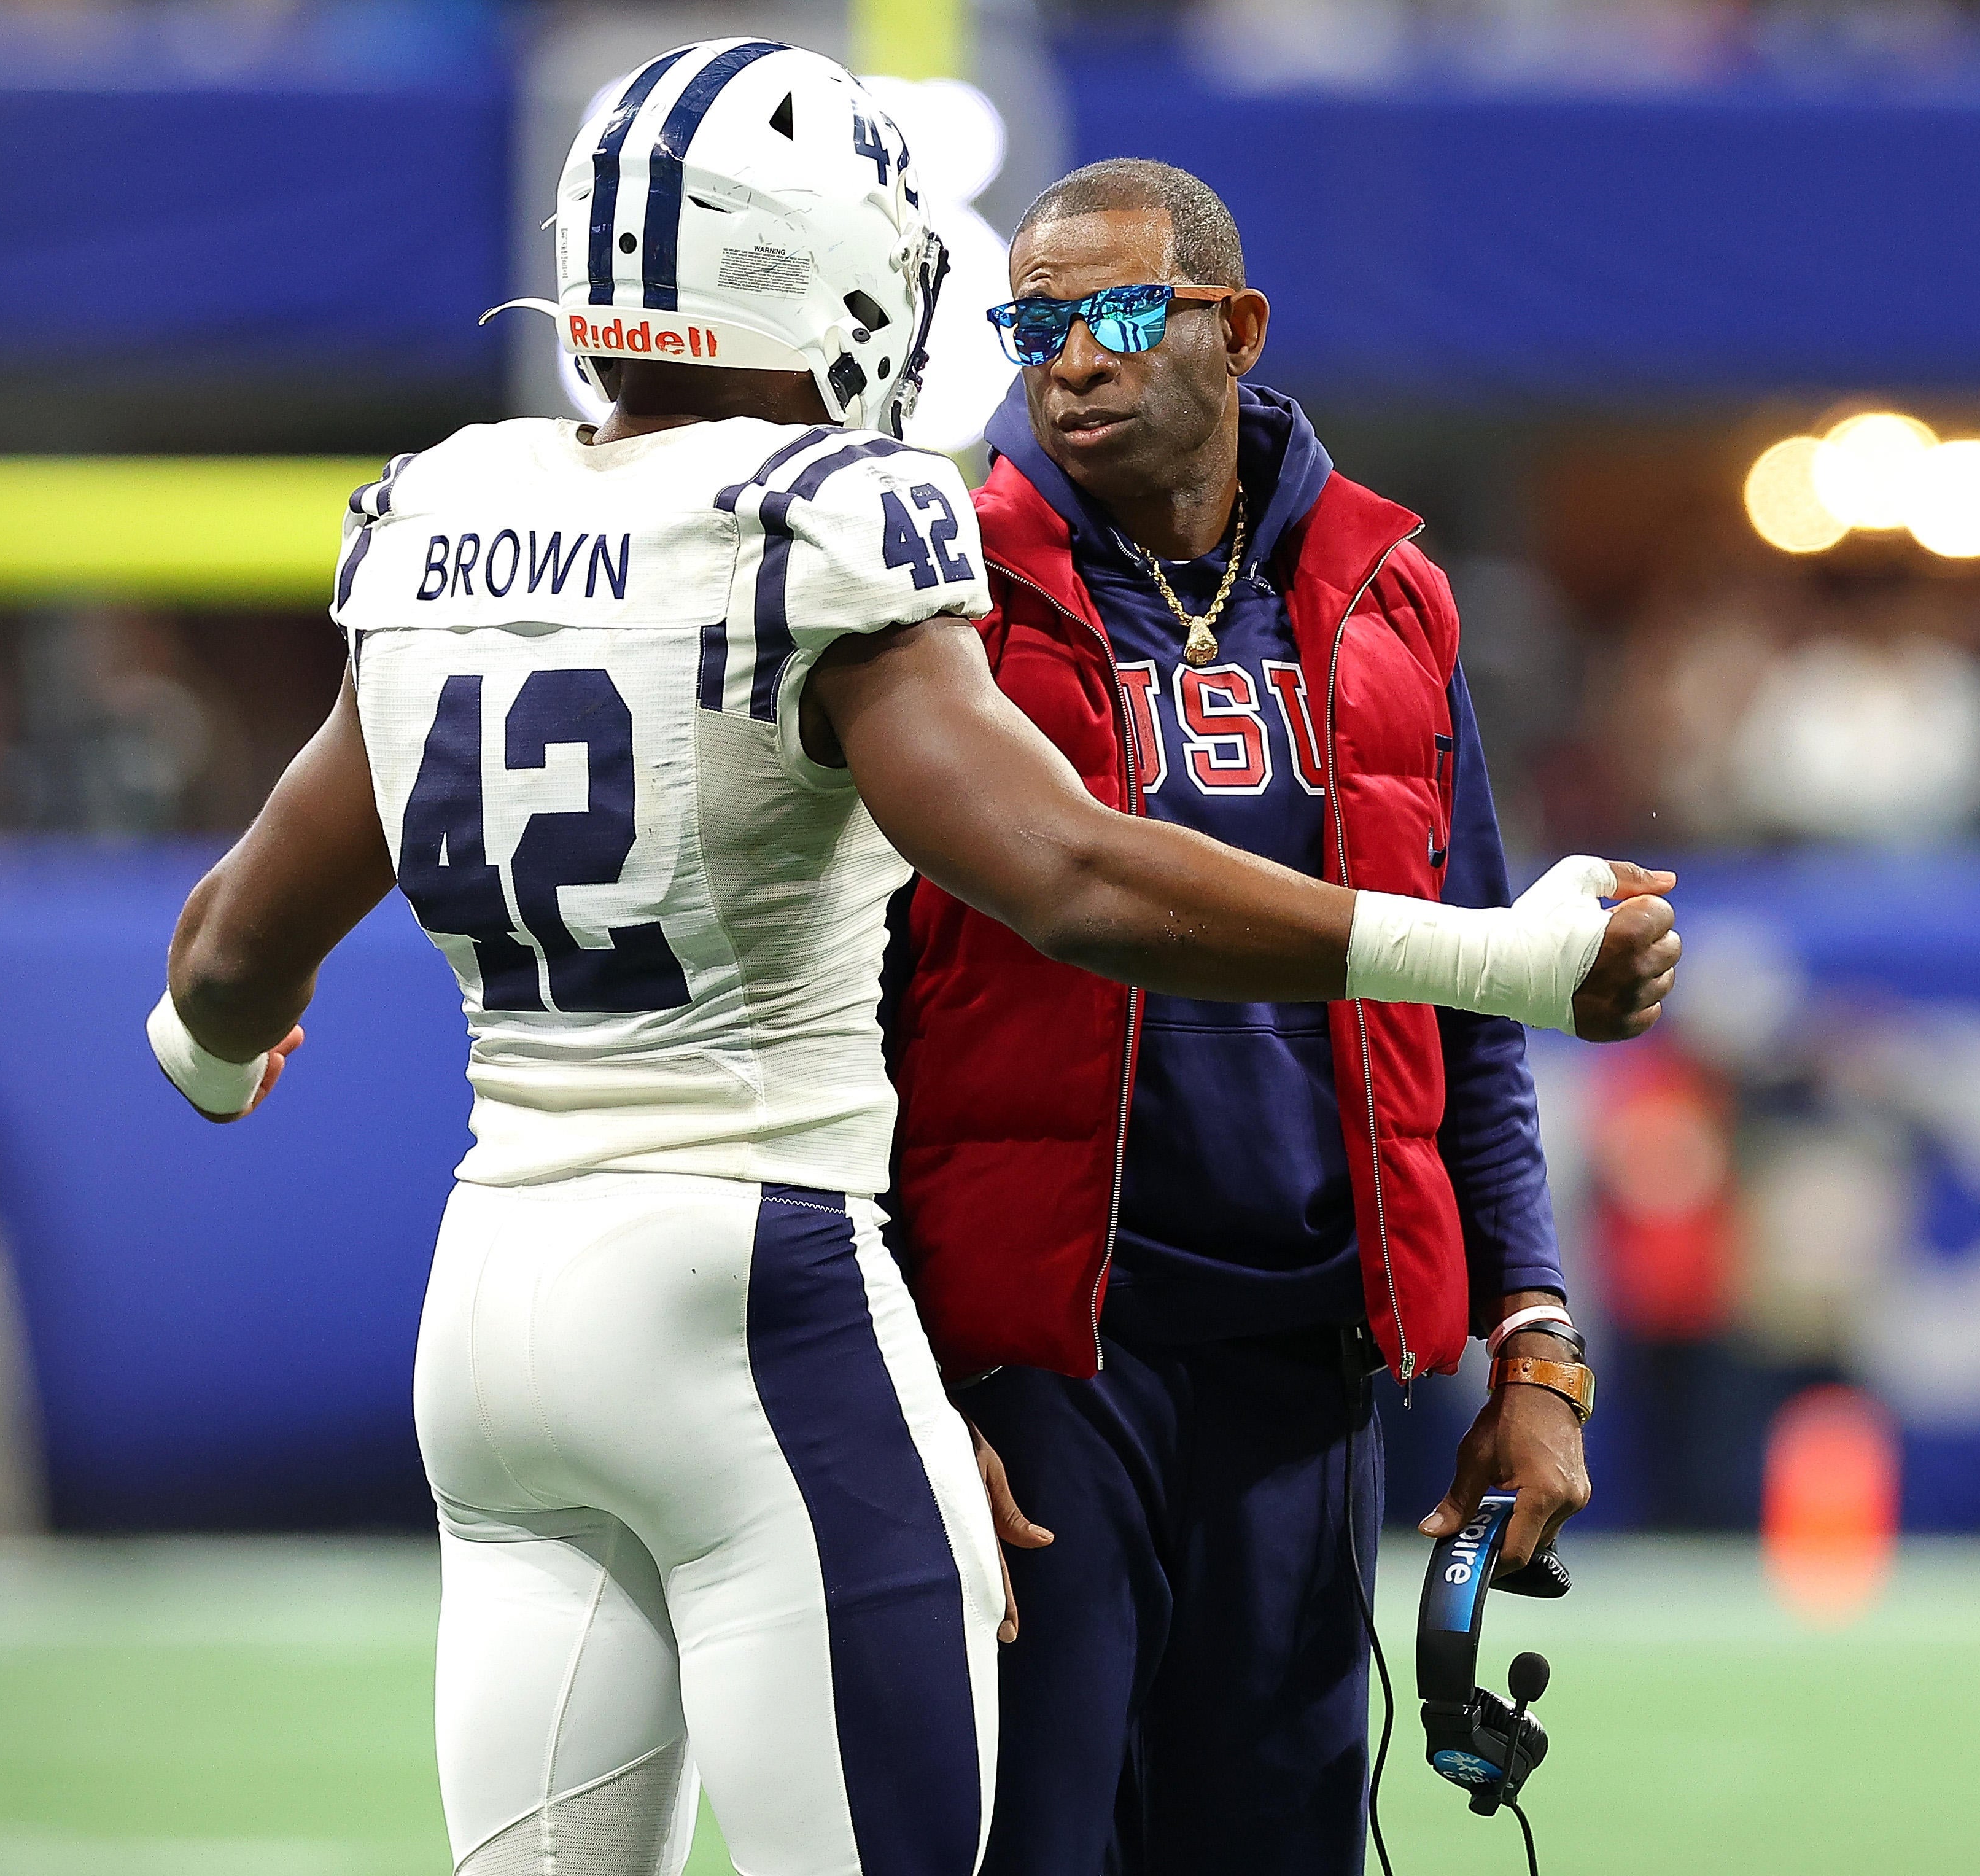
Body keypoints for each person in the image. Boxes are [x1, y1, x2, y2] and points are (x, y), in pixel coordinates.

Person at [144, 45, 1677, 1876]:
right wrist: (1502, 960)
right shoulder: (846, 525)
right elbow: (1075, 881)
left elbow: (230, 952)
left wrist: (216, 1056)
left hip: (495, 1298)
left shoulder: (445, 513)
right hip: (768, 1295)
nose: (1064, 359)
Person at [889, 159, 1653, 1876]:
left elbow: (1473, 1008)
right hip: (1042, 1358)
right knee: (1032, 1844)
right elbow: (854, 1007)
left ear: (1233, 329)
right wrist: (909, 1381)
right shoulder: (930, 592)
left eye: (1117, 315)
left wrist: (1535, 1337)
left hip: (1306, 1356)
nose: (1068, 361)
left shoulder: (1391, 593)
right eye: (1035, 324)